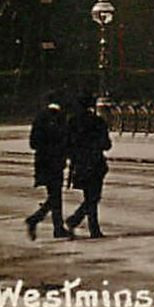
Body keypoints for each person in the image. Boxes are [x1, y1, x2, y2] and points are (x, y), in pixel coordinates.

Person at [65, 95, 112, 239]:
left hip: (80, 163)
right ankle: (81, 223)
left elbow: (68, 144)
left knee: (89, 197)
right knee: (94, 197)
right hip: (96, 162)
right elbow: (106, 145)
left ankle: (89, 226)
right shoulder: (98, 122)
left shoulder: (72, 122)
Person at [25, 92, 70, 240]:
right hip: (56, 161)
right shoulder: (62, 117)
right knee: (55, 195)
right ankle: (36, 219)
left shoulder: (40, 117)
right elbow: (66, 140)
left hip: (43, 162)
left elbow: (33, 143)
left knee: (54, 195)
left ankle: (57, 228)